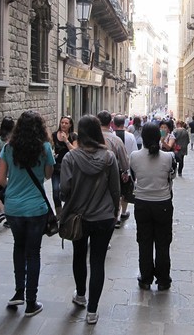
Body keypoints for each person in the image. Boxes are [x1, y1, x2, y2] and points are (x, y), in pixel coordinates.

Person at [60, 115, 120, 325]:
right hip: (104, 217)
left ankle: (81, 295)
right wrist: (114, 212)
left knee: (78, 255)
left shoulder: (70, 158)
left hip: (79, 217)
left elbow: (64, 190)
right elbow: (115, 189)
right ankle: (92, 311)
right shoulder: (109, 157)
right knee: (97, 262)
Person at [0, 111, 55, 318]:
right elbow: (48, 175)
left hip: (13, 207)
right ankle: (31, 301)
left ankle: (18, 292)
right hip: (36, 208)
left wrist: (16, 183)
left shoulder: (8, 148)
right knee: (33, 252)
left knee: (18, 247)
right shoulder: (45, 148)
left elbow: (1, 180)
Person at [130, 123, 175, 291]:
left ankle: (146, 277)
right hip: (162, 202)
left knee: (144, 242)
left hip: (142, 203)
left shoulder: (134, 156)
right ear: (158, 137)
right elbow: (172, 176)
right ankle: (163, 279)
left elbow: (134, 176)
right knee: (163, 243)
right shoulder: (168, 157)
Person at [97, 111, 130, 228]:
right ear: (110, 123)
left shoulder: (89, 138)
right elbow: (124, 162)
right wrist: (125, 171)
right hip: (110, 177)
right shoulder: (116, 140)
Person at [51, 115, 78, 220]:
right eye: (62, 122)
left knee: (69, 190)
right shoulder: (54, 135)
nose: (63, 125)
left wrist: (66, 140)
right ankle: (59, 214)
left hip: (69, 168)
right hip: (56, 168)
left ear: (70, 125)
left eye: (66, 123)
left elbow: (75, 151)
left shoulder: (73, 136)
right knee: (55, 190)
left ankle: (68, 211)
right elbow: (50, 148)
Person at [113, 114, 137, 227]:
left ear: (113, 123)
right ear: (124, 123)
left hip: (113, 168)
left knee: (115, 191)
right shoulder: (130, 136)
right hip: (127, 167)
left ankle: (116, 216)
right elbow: (133, 153)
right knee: (125, 191)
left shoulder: (111, 136)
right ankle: (123, 212)